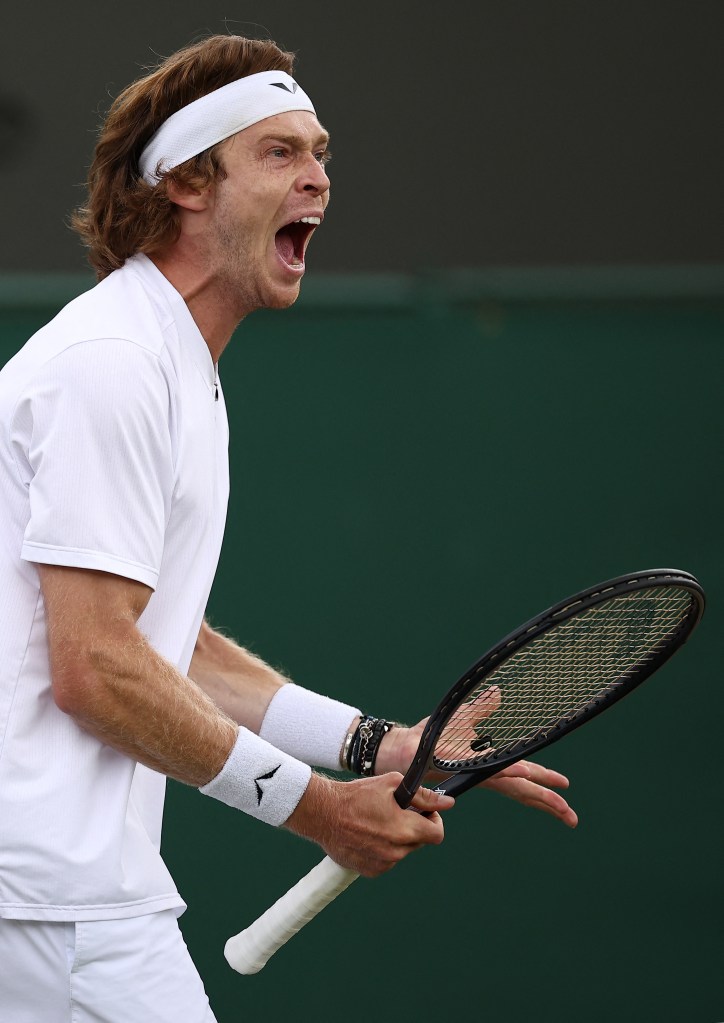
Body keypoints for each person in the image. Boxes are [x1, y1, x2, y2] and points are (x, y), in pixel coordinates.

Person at [0, 33, 577, 1022]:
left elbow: (159, 645)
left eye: (320, 154)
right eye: (278, 153)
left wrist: (370, 747)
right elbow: (98, 666)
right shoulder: (113, 366)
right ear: (186, 181)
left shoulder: (167, 363)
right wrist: (316, 811)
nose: (316, 178)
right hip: (50, 901)